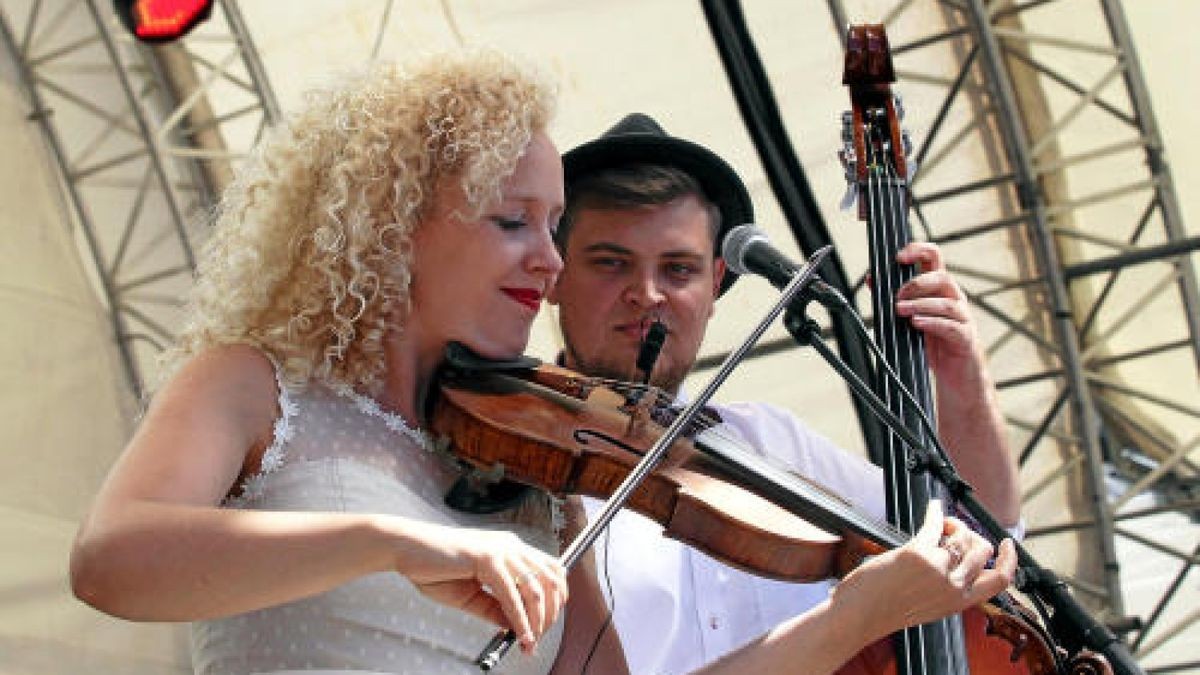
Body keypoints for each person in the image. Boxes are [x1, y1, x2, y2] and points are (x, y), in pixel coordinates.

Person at [69, 52, 1014, 675]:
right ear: (397, 228)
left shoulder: (530, 484)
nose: (549, 261)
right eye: (514, 221)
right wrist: (393, 540)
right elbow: (112, 563)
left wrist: (850, 615)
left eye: (554, 228)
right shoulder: (255, 383)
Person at [547, 113, 1023, 674]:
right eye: (611, 263)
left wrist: (964, 380)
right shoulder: (518, 467)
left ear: (716, 282)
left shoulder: (769, 439)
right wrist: (849, 617)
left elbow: (978, 531)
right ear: (553, 273)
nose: (646, 293)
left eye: (678, 269)